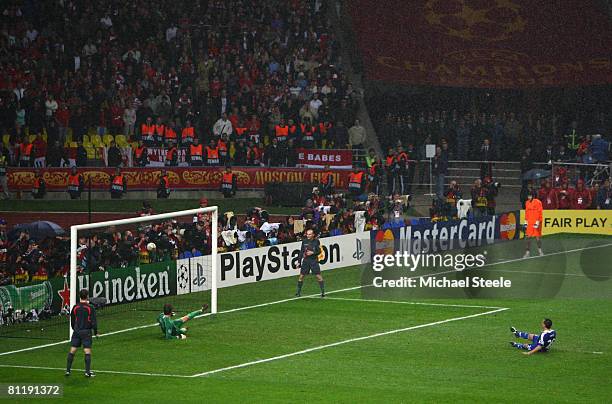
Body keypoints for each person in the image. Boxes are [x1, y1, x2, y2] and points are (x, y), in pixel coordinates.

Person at [66, 288, 98, 377]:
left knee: (72, 350)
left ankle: (68, 371)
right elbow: (94, 322)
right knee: (87, 351)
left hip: (77, 331)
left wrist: (75, 329)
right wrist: (95, 332)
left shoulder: (75, 307)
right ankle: (87, 372)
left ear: (79, 296)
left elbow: (72, 321)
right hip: (86, 332)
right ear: (87, 296)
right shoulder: (90, 308)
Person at [295, 229, 325, 298]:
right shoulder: (304, 241)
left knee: (318, 276)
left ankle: (323, 292)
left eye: (310, 234)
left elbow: (319, 251)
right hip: (306, 261)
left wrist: (313, 253)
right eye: (307, 234)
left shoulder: (316, 241)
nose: (308, 235)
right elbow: (301, 252)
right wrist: (299, 262)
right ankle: (298, 292)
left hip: (313, 261)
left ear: (313, 235)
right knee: (301, 276)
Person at [524, 190, 543, 257]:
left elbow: (540, 212)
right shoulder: (527, 203)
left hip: (536, 222)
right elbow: (526, 212)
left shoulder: (538, 202)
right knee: (527, 238)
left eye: (530, 196)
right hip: (529, 222)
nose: (529, 197)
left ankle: (540, 251)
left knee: (537, 238)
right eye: (528, 196)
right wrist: (526, 221)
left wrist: (538, 222)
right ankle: (527, 252)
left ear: (533, 196)